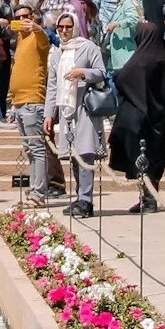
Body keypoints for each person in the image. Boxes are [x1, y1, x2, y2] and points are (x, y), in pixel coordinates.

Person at [106, 19, 165, 213]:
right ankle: (150, 197)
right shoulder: (163, 59)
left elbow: (121, 79)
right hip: (159, 119)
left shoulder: (139, 60)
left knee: (142, 157)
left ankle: (148, 199)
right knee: (154, 157)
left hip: (141, 120)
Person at [45, 11, 108, 217]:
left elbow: (101, 72)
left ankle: (86, 199)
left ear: (75, 27)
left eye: (68, 27)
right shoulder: (57, 52)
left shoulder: (88, 48)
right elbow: (52, 85)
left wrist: (83, 73)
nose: (64, 31)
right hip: (66, 109)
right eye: (61, 27)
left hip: (85, 108)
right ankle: (80, 197)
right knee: (73, 154)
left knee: (85, 153)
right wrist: (49, 114)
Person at [8, 7, 56, 200]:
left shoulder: (38, 37)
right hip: (19, 102)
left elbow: (46, 40)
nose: (22, 20)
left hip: (33, 100)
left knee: (37, 148)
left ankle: (39, 193)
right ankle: (35, 189)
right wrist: (12, 104)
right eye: (18, 17)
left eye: (25, 16)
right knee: (29, 149)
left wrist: (36, 27)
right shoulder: (20, 40)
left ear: (33, 17)